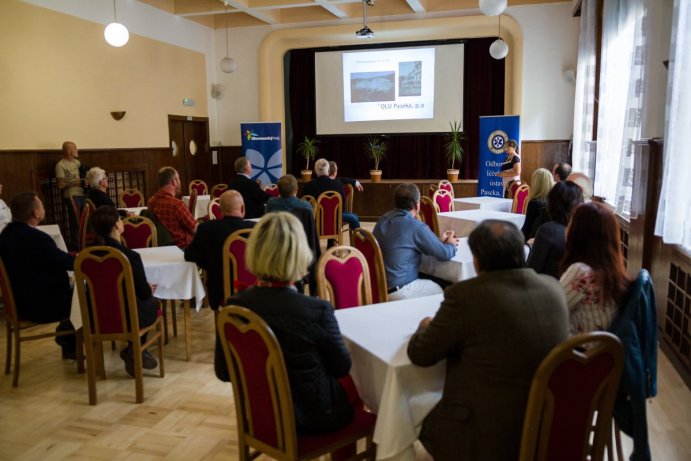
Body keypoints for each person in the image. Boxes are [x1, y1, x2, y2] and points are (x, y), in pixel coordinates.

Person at [407, 220, 569, 461]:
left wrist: (424, 326)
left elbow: (421, 353)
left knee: (415, 413)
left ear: (478, 260)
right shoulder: (554, 289)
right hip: (547, 427)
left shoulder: (467, 296)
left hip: (486, 437)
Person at [216, 212, 354, 434]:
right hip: (312, 421)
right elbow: (342, 367)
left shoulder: (233, 308)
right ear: (300, 253)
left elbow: (224, 372)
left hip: (262, 418)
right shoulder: (317, 311)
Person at [0, 192, 76, 358]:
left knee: (75, 290)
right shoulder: (36, 238)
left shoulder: (6, 235)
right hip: (40, 304)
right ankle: (72, 341)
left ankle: (69, 341)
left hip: (19, 302)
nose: (43, 208)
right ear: (35, 213)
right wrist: (85, 259)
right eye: (41, 205)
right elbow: (63, 262)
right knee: (85, 296)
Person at [90, 206, 160, 376]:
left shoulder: (88, 255)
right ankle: (135, 349)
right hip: (127, 316)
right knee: (154, 303)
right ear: (116, 225)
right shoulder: (129, 256)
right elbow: (143, 293)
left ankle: (134, 351)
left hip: (96, 314)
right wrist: (148, 288)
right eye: (120, 219)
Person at [373, 183, 458, 300]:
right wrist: (451, 244)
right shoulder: (416, 226)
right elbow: (444, 254)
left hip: (377, 288)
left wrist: (437, 241)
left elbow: (404, 245)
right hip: (400, 290)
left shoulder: (383, 219)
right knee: (444, 287)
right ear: (417, 206)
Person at [560, 202, 631, 336]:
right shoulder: (614, 272)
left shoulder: (581, 272)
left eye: (570, 223)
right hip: (603, 352)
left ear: (578, 233)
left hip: (577, 353)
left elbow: (552, 310)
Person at [184, 190, 255, 310]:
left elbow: (189, 255)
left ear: (220, 211)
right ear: (242, 209)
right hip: (254, 291)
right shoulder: (256, 229)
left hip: (220, 291)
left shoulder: (206, 228)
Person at [527, 180, 584, 278]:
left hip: (548, 288)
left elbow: (532, 271)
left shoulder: (548, 231)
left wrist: (528, 247)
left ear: (551, 202)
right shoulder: (582, 230)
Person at [303, 158, 361, 235]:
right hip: (334, 220)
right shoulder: (338, 184)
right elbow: (342, 207)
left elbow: (303, 205)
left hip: (314, 221)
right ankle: (358, 239)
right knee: (348, 216)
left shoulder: (307, 186)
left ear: (315, 171)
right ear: (328, 170)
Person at [147, 166, 197, 248]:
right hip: (183, 248)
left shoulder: (151, 202)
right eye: (178, 178)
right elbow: (195, 229)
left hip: (161, 248)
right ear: (174, 181)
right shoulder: (177, 205)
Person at [55, 141, 85, 249]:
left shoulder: (77, 162)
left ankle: (85, 243)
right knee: (76, 222)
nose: (77, 150)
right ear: (69, 151)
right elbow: (61, 185)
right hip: (71, 196)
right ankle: (77, 246)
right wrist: (78, 182)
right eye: (75, 148)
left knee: (85, 221)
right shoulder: (60, 165)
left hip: (83, 194)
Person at [521, 167, 554, 240]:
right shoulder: (554, 202)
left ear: (535, 184)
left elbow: (527, 229)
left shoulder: (534, 203)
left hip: (534, 241)